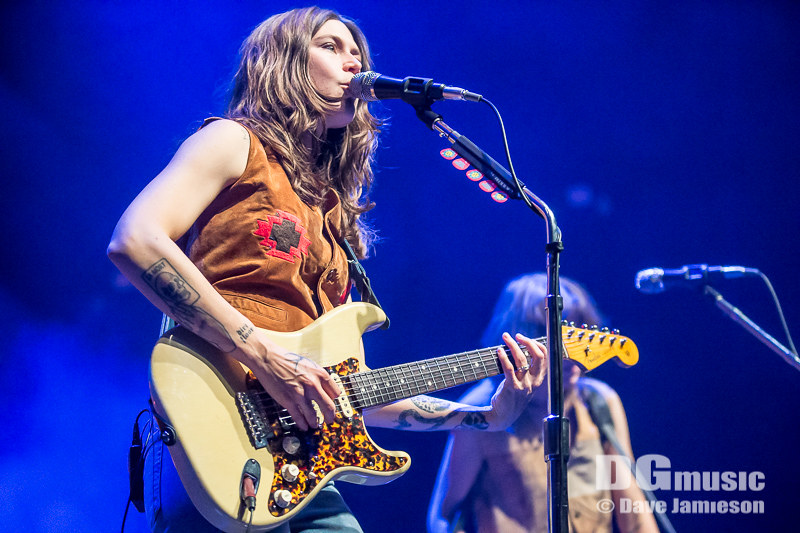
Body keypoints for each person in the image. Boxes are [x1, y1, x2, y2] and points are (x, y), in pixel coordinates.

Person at [107, 7, 546, 533]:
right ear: (285, 62)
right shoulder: (233, 142)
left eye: (357, 52)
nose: (353, 61)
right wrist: (264, 355)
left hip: (301, 464)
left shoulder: (332, 213)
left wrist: (483, 417)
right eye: (331, 47)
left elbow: (344, 388)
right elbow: (135, 239)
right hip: (211, 437)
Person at [427, 273, 659, 533]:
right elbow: (444, 517)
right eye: (559, 338)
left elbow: (633, 508)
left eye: (579, 334)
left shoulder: (599, 400)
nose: (573, 354)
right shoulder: (480, 406)